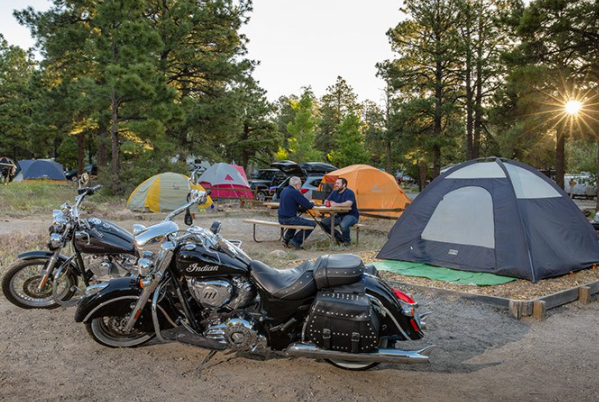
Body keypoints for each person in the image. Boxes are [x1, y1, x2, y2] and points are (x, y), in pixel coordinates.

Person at [278, 176, 316, 249]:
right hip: (289, 219)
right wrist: (313, 203)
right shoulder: (295, 192)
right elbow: (307, 205)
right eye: (300, 184)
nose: (301, 186)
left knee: (296, 221)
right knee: (312, 224)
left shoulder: (284, 190)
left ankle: (286, 240)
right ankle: (295, 241)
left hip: (281, 218)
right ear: (296, 185)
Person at [321, 177, 359, 246]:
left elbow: (349, 203)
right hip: (339, 215)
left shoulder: (349, 192)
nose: (336, 185)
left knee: (343, 225)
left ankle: (347, 242)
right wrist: (329, 203)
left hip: (351, 215)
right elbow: (327, 200)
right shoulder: (334, 192)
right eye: (336, 183)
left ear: (344, 185)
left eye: (338, 183)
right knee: (323, 222)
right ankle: (340, 238)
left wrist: (336, 204)